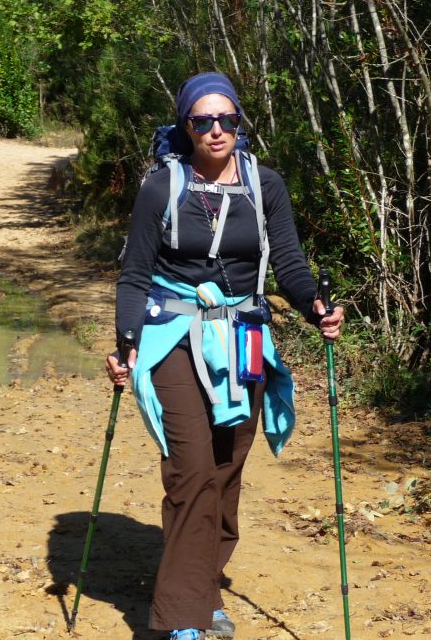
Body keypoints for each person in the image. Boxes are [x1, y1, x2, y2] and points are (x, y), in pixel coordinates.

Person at [106, 72, 344, 640]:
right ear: (185, 126)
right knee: (191, 470)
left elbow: (288, 264)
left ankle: (204, 588)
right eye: (202, 121)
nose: (216, 130)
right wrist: (125, 344)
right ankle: (181, 620)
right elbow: (135, 273)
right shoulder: (161, 187)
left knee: (226, 470)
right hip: (173, 333)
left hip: (246, 337)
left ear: (239, 123)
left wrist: (317, 309)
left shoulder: (267, 185)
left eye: (226, 120)